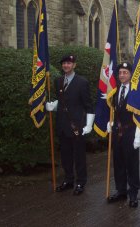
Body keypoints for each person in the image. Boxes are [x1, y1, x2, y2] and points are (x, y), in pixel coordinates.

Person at [46, 54, 95, 195]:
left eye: (69, 63)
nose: (66, 65)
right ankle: (68, 179)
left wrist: (89, 125)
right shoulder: (58, 81)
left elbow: (88, 105)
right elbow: (63, 102)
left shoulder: (82, 82)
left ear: (74, 65)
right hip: (62, 124)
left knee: (79, 155)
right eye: (64, 63)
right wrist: (53, 106)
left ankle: (81, 182)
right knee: (65, 155)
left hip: (77, 125)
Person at [106, 62, 140, 208]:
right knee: (118, 162)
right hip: (117, 133)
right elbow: (114, 110)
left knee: (132, 164)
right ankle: (121, 190)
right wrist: (111, 123)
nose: (122, 75)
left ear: (130, 74)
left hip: (131, 132)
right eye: (120, 72)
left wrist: (139, 135)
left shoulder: (136, 91)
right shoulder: (114, 91)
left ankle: (133, 192)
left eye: (125, 72)